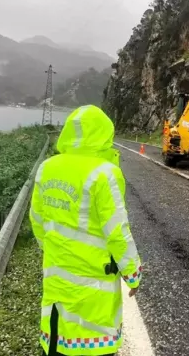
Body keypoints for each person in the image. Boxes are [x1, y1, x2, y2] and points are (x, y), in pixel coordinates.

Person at [30, 105, 143, 356]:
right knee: (92, 345)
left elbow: (37, 220)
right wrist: (132, 273)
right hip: (94, 289)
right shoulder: (105, 173)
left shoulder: (47, 167)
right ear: (104, 134)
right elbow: (117, 231)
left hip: (56, 280)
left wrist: (54, 251)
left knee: (56, 343)